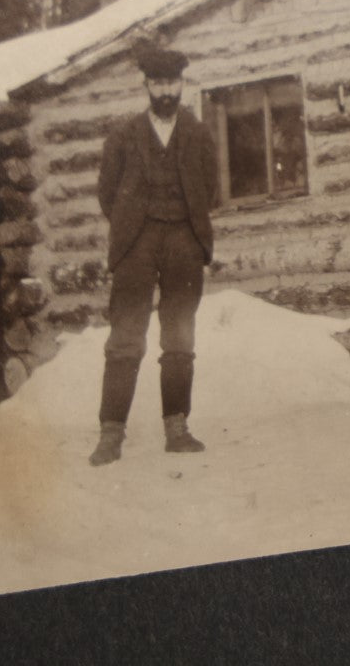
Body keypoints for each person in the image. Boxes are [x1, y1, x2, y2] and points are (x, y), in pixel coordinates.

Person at [88, 47, 219, 466]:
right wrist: (133, 224)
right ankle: (111, 433)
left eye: (171, 83)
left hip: (183, 239)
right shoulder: (123, 136)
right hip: (136, 245)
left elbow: (209, 189)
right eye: (157, 83)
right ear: (145, 85)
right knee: (126, 336)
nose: (165, 91)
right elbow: (108, 193)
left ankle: (177, 428)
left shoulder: (198, 134)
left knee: (179, 336)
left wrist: (185, 226)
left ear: (182, 84)